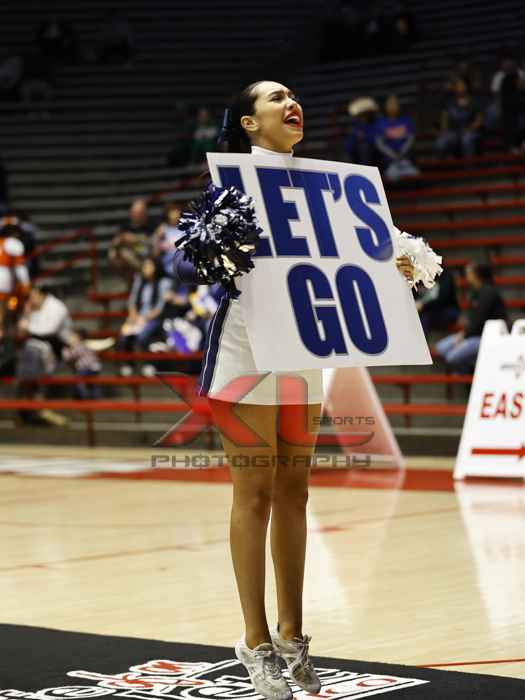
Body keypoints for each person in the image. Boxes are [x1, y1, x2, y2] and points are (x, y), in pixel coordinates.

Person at [170, 80, 418, 700]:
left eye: (293, 97)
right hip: (245, 348)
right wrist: (218, 247)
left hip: (303, 347)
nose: (290, 103)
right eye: (276, 98)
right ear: (249, 123)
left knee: (296, 492)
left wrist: (395, 266)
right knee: (254, 491)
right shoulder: (229, 186)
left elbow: (355, 255)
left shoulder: (326, 186)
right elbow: (189, 259)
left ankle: (292, 635)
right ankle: (254, 642)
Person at [435, 263, 508, 374]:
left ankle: (473, 371)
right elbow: (473, 318)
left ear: (477, 274)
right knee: (441, 348)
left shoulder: (488, 293)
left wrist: (464, 335)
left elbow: (480, 320)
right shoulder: (475, 292)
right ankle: (470, 367)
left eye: (469, 272)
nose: (467, 275)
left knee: (451, 357)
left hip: (485, 336)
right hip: (472, 333)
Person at [15, 286, 72, 425]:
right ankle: (28, 409)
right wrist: (27, 314)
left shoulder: (57, 307)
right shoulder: (32, 308)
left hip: (58, 348)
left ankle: (36, 408)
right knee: (27, 356)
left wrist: (27, 327)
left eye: (33, 296)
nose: (30, 299)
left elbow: (48, 330)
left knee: (32, 356)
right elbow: (21, 332)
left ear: (42, 295)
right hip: (35, 349)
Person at [117, 257, 172, 376]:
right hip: (138, 318)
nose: (146, 269)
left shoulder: (163, 282)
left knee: (142, 337)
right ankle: (128, 364)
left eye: (149, 266)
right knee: (124, 336)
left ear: (155, 267)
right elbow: (132, 301)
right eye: (144, 266)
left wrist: (145, 319)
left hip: (155, 318)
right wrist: (133, 316)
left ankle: (149, 363)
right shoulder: (139, 281)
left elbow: (160, 307)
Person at [434, 78, 484, 158]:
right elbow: (444, 117)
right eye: (457, 85)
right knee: (440, 144)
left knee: (466, 140)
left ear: (466, 86)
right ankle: (441, 164)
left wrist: (470, 129)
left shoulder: (474, 101)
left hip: (470, 132)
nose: (460, 87)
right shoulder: (449, 102)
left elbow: (479, 119)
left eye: (462, 85)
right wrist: (444, 130)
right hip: (453, 132)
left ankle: (469, 164)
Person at [374, 94, 419, 181]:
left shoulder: (406, 120)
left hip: (405, 156)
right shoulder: (380, 122)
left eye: (395, 103)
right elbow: (379, 144)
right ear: (385, 106)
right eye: (390, 104)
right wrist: (392, 154)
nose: (393, 106)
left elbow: (410, 139)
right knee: (392, 176)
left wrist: (402, 152)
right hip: (388, 158)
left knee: (414, 175)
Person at [108, 198, 156, 275]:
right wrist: (121, 238)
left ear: (145, 213)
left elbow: (154, 245)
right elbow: (114, 244)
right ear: (131, 213)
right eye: (135, 212)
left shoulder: (152, 226)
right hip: (130, 259)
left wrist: (136, 240)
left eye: (140, 212)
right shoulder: (125, 227)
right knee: (118, 253)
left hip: (147, 257)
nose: (137, 215)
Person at [0, 224, 30, 339]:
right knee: (5, 313)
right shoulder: (12, 243)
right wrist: (26, 284)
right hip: (3, 279)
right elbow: (20, 266)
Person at [415, 267, 459, 336]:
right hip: (429, 310)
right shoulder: (422, 275)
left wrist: (423, 305)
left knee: (424, 318)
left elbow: (441, 300)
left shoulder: (445, 277)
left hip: (447, 310)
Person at [62, 328, 102, 399]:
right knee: (93, 385)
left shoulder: (78, 346)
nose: (71, 338)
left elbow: (68, 357)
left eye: (73, 336)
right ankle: (94, 398)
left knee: (80, 383)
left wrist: (66, 348)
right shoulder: (89, 345)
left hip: (84, 368)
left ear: (78, 337)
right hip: (95, 368)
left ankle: (84, 397)